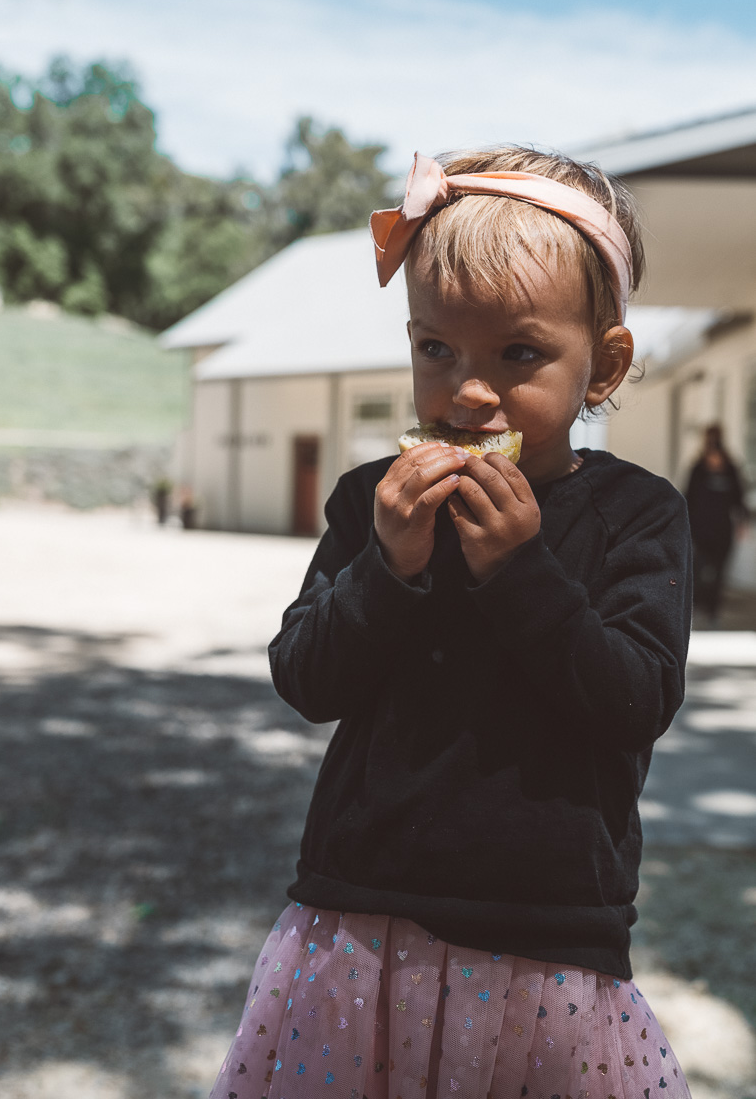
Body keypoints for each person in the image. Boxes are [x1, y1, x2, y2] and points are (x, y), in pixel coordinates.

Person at [210, 149, 693, 1099]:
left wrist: (521, 569)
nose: (470, 393)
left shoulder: (639, 516)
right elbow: (306, 679)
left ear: (604, 362)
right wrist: (389, 564)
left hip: (547, 937)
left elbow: (634, 700)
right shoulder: (371, 503)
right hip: (360, 920)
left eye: (518, 355)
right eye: (438, 350)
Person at [685, 424, 748, 625]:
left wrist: (742, 523)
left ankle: (711, 610)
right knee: (699, 570)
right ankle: (700, 608)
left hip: (720, 530)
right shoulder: (698, 469)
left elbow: (739, 499)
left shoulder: (730, 469)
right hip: (702, 529)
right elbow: (687, 497)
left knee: (717, 572)